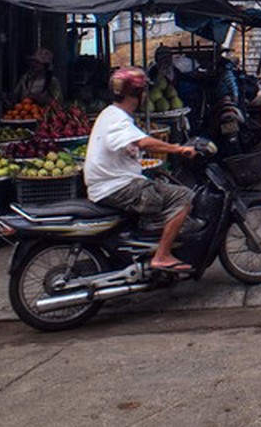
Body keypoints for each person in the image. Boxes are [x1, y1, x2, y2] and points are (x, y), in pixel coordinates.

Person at [83, 67, 201, 273]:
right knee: (183, 196)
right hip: (116, 187)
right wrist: (179, 149)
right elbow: (143, 142)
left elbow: (129, 147)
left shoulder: (110, 114)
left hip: (113, 183)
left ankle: (147, 246)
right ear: (138, 93)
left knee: (161, 188)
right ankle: (162, 255)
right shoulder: (117, 119)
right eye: (144, 91)